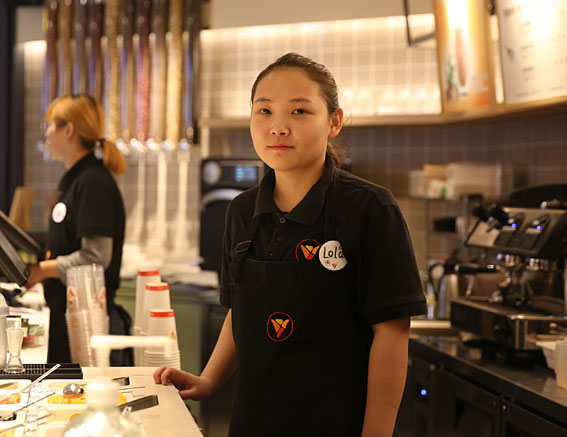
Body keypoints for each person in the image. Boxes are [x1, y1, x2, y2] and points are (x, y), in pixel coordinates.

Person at [154, 53, 426, 436]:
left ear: (334, 122)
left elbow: (392, 332)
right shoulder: (241, 211)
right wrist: (209, 380)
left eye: (299, 111)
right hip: (252, 424)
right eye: (264, 111)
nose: (278, 128)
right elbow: (241, 310)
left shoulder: (370, 209)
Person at [26, 94, 130, 365]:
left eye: (50, 124)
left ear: (68, 130)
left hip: (87, 326)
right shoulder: (78, 181)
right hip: (71, 318)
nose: (47, 133)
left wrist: (42, 270)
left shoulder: (92, 183)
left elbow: (95, 257)